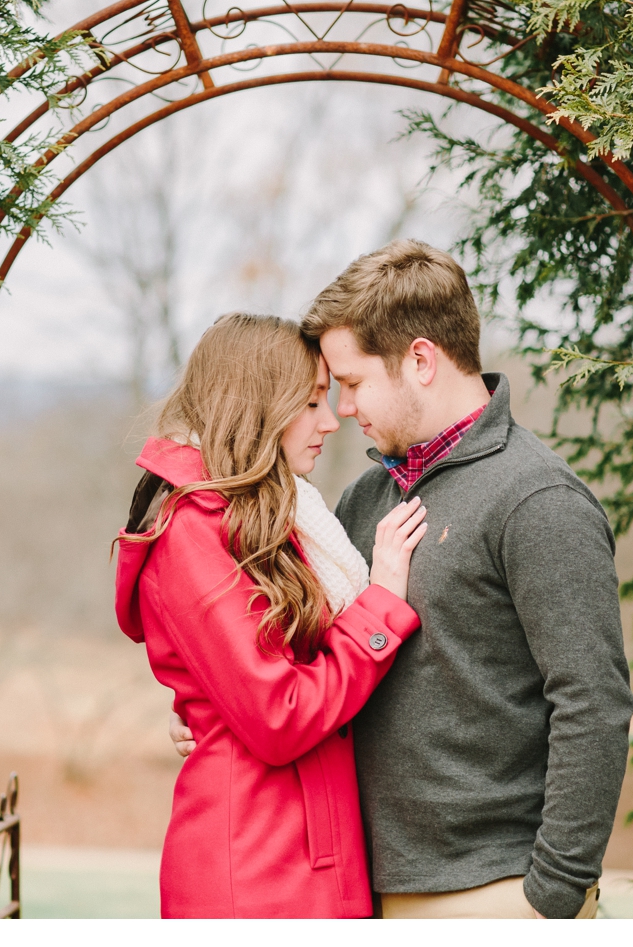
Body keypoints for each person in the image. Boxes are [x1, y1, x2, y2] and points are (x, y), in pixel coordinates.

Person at [172, 242, 633, 919]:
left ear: (420, 360)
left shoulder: (538, 500)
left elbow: (593, 703)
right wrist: (222, 711)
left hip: (494, 894)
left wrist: (553, 895)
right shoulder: (364, 501)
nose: (344, 408)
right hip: (362, 890)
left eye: (353, 382)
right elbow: (314, 670)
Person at [115, 312, 430, 918]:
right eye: (311, 403)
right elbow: (279, 714)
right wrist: (382, 606)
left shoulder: (280, 516)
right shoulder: (193, 532)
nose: (331, 420)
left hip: (310, 852)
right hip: (257, 870)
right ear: (258, 406)